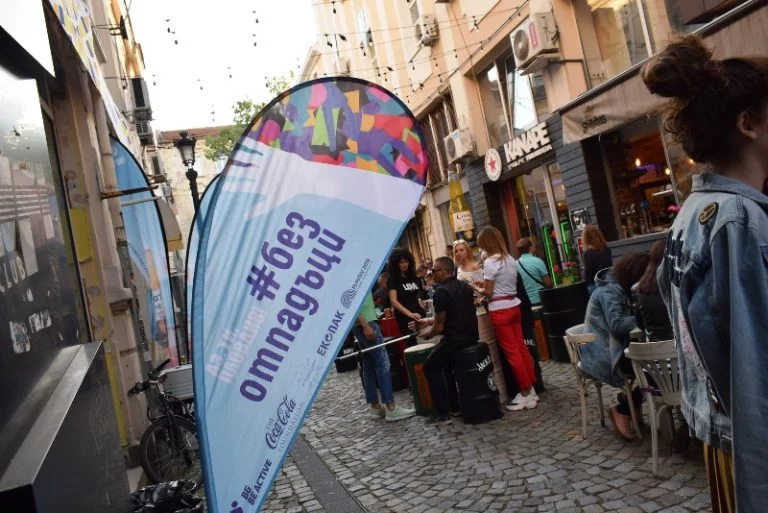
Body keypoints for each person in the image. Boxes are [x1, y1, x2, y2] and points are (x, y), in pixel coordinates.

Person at [644, 35, 768, 513]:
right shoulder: (739, 222)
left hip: (724, 441)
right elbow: (752, 368)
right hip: (752, 450)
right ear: (748, 124)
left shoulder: (694, 213)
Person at [579, 253, 649, 440]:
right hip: (603, 357)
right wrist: (644, 317)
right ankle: (623, 410)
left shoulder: (618, 286)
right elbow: (617, 325)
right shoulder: (610, 291)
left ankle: (630, 402)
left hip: (613, 349)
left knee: (653, 367)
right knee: (652, 371)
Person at [410, 257, 479, 425]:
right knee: (446, 365)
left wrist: (426, 334)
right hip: (471, 335)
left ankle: (442, 413)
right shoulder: (464, 286)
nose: (431, 274)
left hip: (455, 340)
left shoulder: (441, 292)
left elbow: (440, 327)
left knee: (430, 367)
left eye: (434, 271)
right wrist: (428, 322)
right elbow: (455, 313)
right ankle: (454, 406)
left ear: (443, 271)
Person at [476, 227, 538, 411]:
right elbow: (500, 284)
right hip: (514, 305)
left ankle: (525, 393)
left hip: (500, 309)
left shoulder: (490, 263)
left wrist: (476, 288)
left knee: (512, 353)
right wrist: (484, 285)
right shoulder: (509, 259)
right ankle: (531, 388)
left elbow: (488, 292)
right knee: (521, 348)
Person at [352, 291, 415, 422]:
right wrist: (365, 324)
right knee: (383, 363)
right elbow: (351, 300)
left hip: (361, 322)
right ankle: (391, 408)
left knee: (369, 364)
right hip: (366, 321)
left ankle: (375, 407)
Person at [631, 240, 673, 342]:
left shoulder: (638, 289)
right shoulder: (676, 284)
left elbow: (639, 324)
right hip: (679, 343)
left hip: (654, 346)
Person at [387, 248, 426, 339]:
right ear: (395, 264)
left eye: (406, 261)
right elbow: (394, 301)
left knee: (426, 340)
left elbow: (415, 295)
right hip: (405, 317)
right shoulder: (392, 279)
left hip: (419, 313)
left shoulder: (412, 276)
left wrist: (420, 304)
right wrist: (411, 314)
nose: (405, 264)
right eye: (401, 262)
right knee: (412, 343)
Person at [516, 238, 553, 305]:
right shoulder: (538, 261)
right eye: (533, 245)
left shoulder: (515, 264)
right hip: (540, 299)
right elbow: (548, 283)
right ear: (530, 248)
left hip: (526, 302)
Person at [581, 225, 612, 294]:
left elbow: (588, 276)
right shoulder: (606, 249)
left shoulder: (587, 253)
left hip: (596, 286)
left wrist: (582, 274)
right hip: (609, 282)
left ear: (586, 238)